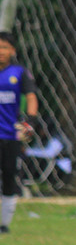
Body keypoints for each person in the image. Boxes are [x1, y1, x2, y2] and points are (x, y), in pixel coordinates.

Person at [0, 31, 39, 234]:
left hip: (10, 135)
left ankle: (4, 224)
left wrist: (29, 121)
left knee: (9, 175)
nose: (1, 51)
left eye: (5, 47)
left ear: (12, 51)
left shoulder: (19, 72)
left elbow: (31, 97)